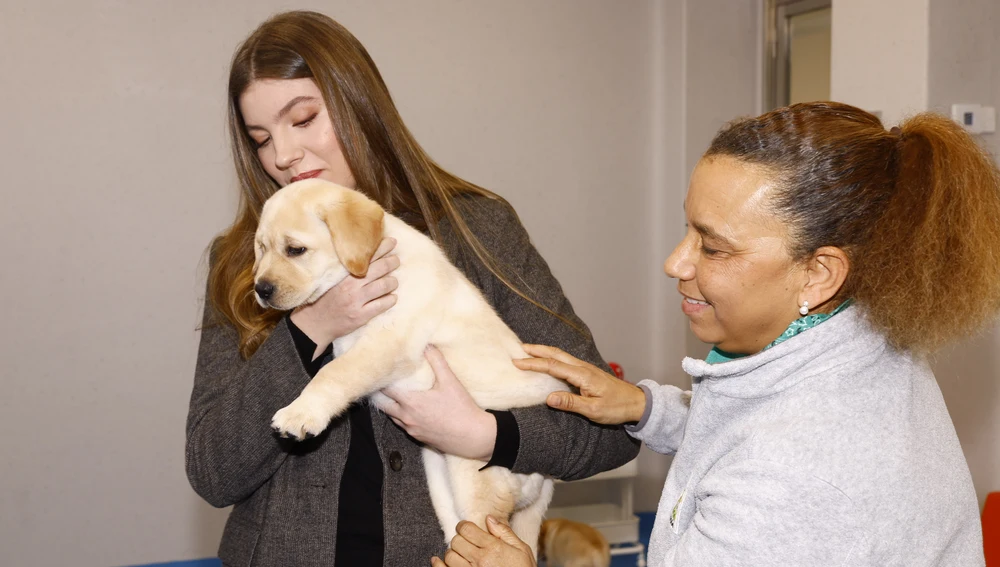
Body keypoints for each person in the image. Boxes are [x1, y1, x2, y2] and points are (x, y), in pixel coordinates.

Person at [436, 102, 1000, 567]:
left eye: (713, 246)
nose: (675, 263)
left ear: (819, 273)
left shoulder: (799, 478)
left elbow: (781, 460)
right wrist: (645, 408)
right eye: (689, 230)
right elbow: (755, 427)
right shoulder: (860, 345)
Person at [184, 10, 639, 567]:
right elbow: (211, 471)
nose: (283, 155)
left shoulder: (476, 227)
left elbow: (610, 430)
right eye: (261, 139)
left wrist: (488, 434)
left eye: (303, 119)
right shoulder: (244, 264)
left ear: (358, 105)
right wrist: (308, 332)